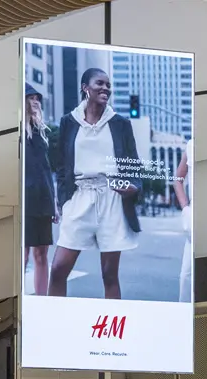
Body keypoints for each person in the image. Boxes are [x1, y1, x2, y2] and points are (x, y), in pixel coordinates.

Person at [49, 68, 143, 300]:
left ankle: (111, 330)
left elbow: (133, 164)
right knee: (58, 269)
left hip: (111, 198)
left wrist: (134, 187)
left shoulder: (120, 123)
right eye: (100, 83)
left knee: (109, 274)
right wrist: (65, 200)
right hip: (80, 197)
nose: (105, 88)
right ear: (85, 88)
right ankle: (53, 322)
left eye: (108, 85)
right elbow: (61, 166)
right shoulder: (68, 122)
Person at [23, 83, 58, 295]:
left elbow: (47, 168)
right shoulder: (17, 130)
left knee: (42, 254)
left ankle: (41, 300)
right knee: (24, 254)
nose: (35, 101)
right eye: (31, 97)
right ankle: (19, 299)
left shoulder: (42, 132)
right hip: (25, 199)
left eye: (37, 98)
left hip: (43, 198)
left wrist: (54, 203)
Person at [172, 138, 193, 302]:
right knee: (186, 276)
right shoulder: (192, 145)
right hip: (194, 216)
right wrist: (185, 208)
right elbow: (178, 179)